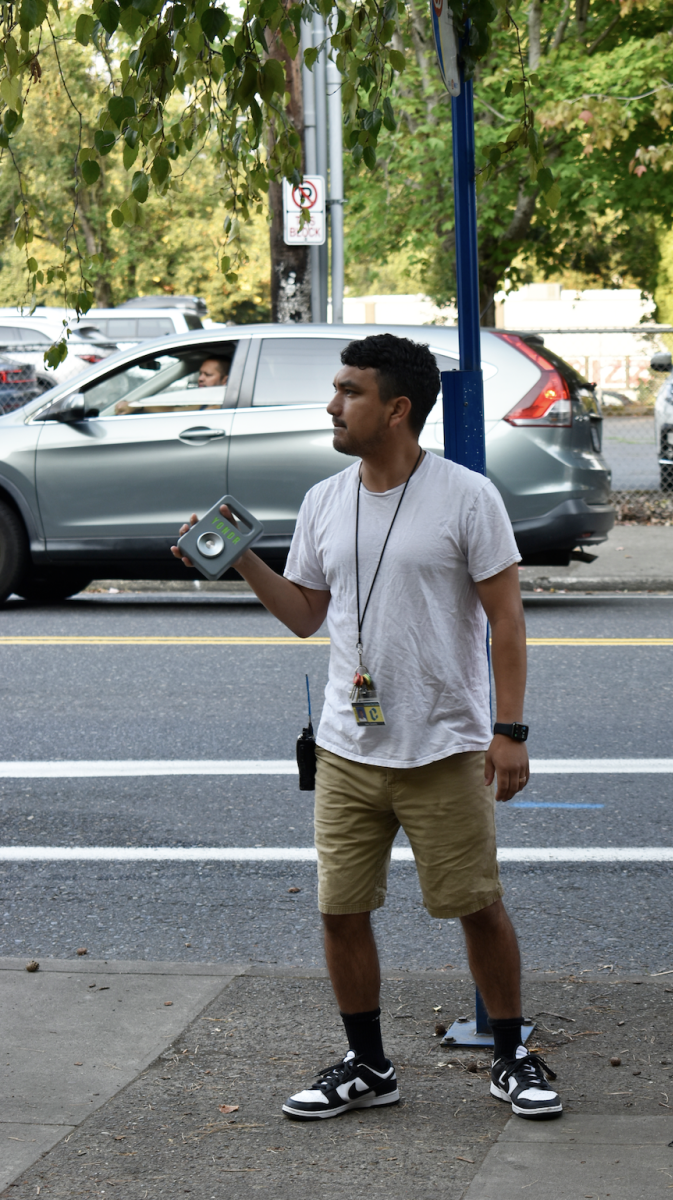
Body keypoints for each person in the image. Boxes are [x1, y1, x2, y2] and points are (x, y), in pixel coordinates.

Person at [172, 333, 561, 1123]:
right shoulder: (324, 500)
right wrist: (245, 562)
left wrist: (510, 728)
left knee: (476, 904)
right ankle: (369, 1063)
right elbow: (307, 617)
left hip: (445, 744)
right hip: (347, 746)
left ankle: (513, 1054)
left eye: (350, 391)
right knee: (340, 908)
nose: (332, 405)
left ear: (397, 409)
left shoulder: (466, 497)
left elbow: (507, 621)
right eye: (336, 389)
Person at [115, 355, 229, 414]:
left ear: (225, 380)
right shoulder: (207, 402)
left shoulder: (219, 407)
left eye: (208, 375)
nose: (200, 379)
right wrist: (139, 407)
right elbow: (174, 410)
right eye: (200, 374)